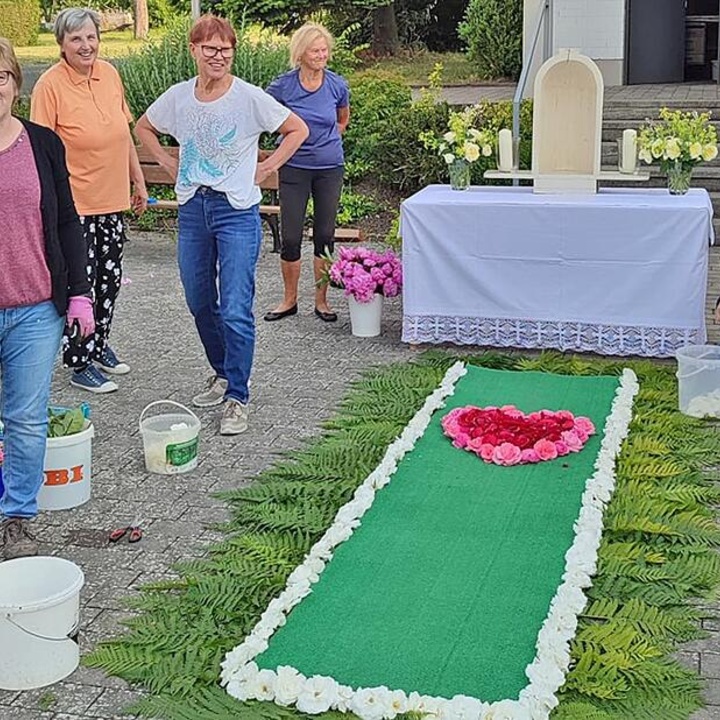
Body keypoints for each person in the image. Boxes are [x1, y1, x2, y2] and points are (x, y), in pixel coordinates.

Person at [135, 14, 307, 435]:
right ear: (193, 50)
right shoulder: (178, 97)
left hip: (236, 211)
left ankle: (237, 396)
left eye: (225, 50)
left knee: (234, 306)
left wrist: (268, 165)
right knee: (198, 300)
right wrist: (162, 158)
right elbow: (142, 126)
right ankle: (223, 372)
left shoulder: (248, 97)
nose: (218, 56)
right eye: (210, 49)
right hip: (194, 208)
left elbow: (296, 129)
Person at [0, 38, 94, 560]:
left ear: (15, 82)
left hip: (36, 307)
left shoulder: (42, 144)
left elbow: (65, 221)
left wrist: (79, 293)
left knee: (26, 417)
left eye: (0, 76)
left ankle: (16, 518)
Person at [31, 7, 147, 394]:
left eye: (91, 37)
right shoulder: (50, 85)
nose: (86, 45)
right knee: (82, 285)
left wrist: (139, 179)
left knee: (110, 280)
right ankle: (79, 360)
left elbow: (124, 133)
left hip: (111, 199)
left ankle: (98, 343)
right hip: (75, 205)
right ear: (62, 44)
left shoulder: (110, 74)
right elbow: (41, 149)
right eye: (76, 39)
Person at [263, 22, 350, 324]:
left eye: (325, 50)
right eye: (315, 50)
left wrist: (328, 140)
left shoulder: (337, 84)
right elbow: (266, 114)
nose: (321, 55)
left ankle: (322, 301)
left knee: (325, 235)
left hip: (329, 167)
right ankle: (289, 300)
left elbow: (342, 119)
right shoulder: (283, 86)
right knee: (290, 236)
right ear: (301, 54)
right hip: (294, 167)